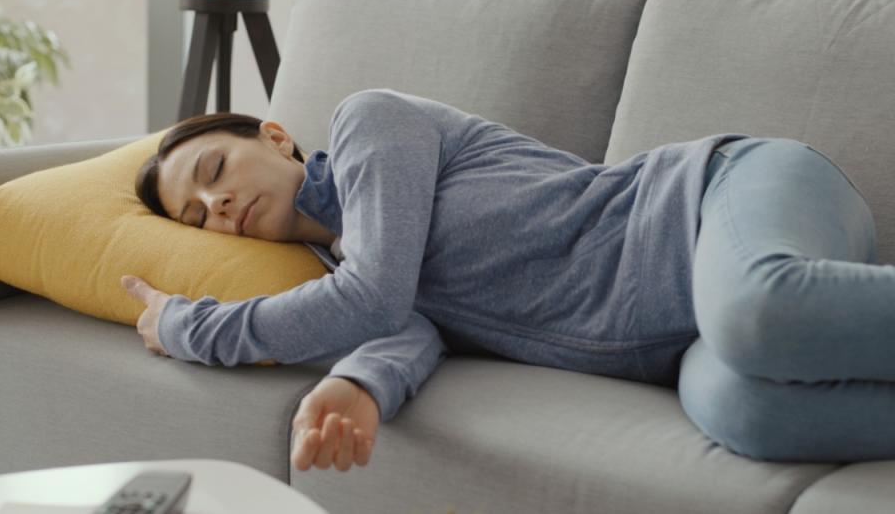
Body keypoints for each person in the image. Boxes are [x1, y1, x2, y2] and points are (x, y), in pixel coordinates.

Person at [122, 88, 895, 472]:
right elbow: (399, 328)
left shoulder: (371, 125)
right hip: (685, 342)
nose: (216, 204)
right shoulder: (347, 265)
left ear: (277, 136)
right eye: (199, 218)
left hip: (717, 197)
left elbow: (377, 293)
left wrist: (189, 325)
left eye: (213, 171)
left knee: (758, 312)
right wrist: (357, 387)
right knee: (752, 416)